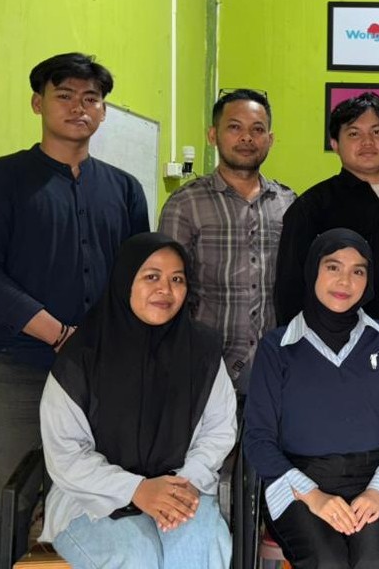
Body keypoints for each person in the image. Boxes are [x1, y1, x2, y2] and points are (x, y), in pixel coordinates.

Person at [0, 52, 149, 568]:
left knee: (99, 498)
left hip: (102, 374)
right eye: (64, 95)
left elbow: (137, 279)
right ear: (38, 103)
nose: (78, 107)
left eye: (91, 99)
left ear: (103, 111)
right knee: (11, 497)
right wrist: (58, 333)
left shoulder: (125, 189)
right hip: (20, 369)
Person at [39, 233, 236, 568]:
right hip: (93, 497)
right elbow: (67, 453)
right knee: (135, 556)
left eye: (177, 279)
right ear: (125, 281)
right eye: (151, 277)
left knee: (196, 548)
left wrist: (182, 485)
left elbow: (218, 429)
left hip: (182, 486)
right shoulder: (82, 357)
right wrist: (137, 489)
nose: (165, 290)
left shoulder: (201, 351)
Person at [246, 229, 379, 569]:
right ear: (313, 270)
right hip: (299, 484)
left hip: (375, 478)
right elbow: (258, 438)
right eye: (333, 267)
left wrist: (377, 490)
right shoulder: (277, 347)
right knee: (327, 561)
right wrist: (314, 496)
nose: (345, 281)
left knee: (372, 559)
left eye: (358, 271)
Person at [274, 92, 379, 372]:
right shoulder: (311, 207)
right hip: (332, 354)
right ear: (335, 144)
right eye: (354, 134)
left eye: (377, 132)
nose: (367, 142)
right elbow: (290, 289)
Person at [159, 88, 295, 391]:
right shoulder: (185, 204)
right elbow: (167, 289)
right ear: (213, 135)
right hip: (204, 368)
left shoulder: (288, 203)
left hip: (275, 369)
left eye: (257, 129)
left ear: (270, 139)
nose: (247, 138)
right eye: (234, 127)